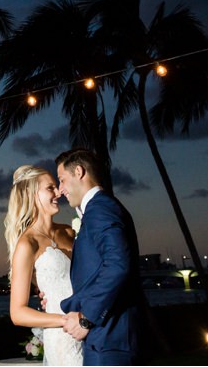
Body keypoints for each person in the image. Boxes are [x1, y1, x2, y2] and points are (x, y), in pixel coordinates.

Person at [56, 148, 145, 365]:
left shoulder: (100, 209)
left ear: (78, 171)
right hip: (106, 338)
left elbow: (118, 265)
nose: (60, 190)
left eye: (62, 180)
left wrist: (86, 318)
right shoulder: (99, 209)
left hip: (111, 340)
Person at [5, 165, 83, 366]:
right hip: (63, 336)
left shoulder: (68, 232)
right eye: (50, 188)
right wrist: (66, 321)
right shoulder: (27, 243)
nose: (58, 192)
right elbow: (18, 313)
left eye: (56, 187)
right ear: (32, 194)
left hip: (92, 327)